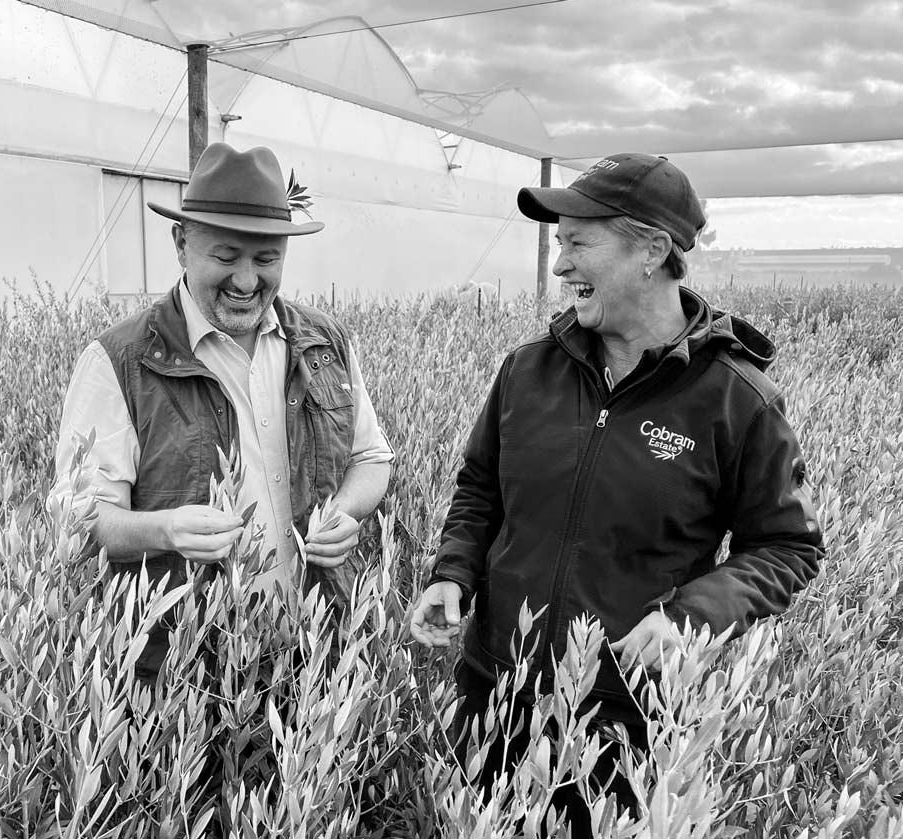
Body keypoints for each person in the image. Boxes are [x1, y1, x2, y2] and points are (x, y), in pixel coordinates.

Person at [409, 153, 824, 836]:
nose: (559, 263)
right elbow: (481, 485)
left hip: (620, 721)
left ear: (652, 251)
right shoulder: (528, 370)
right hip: (496, 691)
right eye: (559, 243)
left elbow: (788, 546)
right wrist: (453, 572)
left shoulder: (735, 399)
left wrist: (690, 617)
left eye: (578, 241)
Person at [54, 142, 394, 681]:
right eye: (225, 257)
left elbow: (371, 458)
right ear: (181, 244)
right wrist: (164, 530)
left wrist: (346, 511)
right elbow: (79, 516)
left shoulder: (323, 342)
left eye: (266, 260)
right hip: (188, 669)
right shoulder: (119, 361)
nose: (245, 281)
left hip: (314, 650)